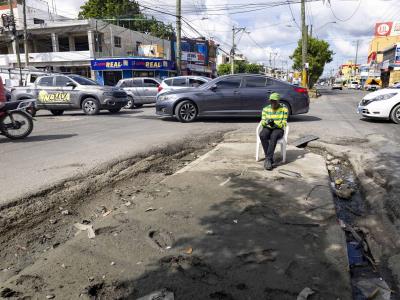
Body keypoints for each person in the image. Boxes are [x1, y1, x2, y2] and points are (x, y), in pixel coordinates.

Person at [259, 92, 288, 170]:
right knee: (262, 135)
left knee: (274, 135)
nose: (273, 103)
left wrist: (275, 124)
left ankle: (267, 159)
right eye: (271, 101)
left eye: (275, 101)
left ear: (278, 101)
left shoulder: (284, 109)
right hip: (268, 127)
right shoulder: (265, 109)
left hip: (278, 129)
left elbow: (284, 123)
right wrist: (267, 122)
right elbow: (262, 121)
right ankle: (269, 158)